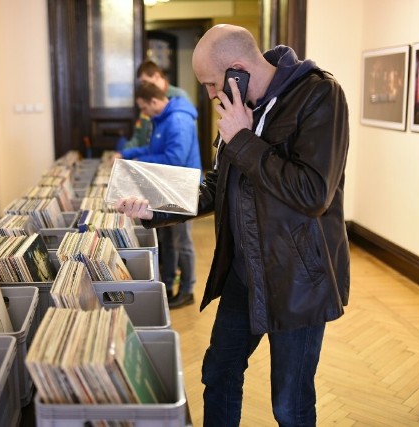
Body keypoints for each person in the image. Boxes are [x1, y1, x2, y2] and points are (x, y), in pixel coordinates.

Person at [116, 24, 350, 426]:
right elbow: (218, 183)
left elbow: (313, 193)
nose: (209, 94)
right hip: (246, 273)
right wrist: (156, 206)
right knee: (218, 374)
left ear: (237, 69)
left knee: (290, 405)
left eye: (210, 83)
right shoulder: (240, 106)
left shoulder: (320, 96)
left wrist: (242, 137)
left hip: (298, 281)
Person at [117, 82, 201, 309]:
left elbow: (175, 158)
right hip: (166, 187)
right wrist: (127, 154)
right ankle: (169, 285)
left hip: (181, 189)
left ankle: (187, 290)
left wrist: (138, 163)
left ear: (154, 102)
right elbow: (154, 151)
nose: (144, 113)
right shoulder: (161, 119)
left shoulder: (178, 120)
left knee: (181, 241)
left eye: (144, 107)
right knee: (168, 240)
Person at [118, 60, 192, 150]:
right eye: (142, 83)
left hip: (169, 158)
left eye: (145, 82)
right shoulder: (146, 99)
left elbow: (186, 135)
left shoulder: (178, 96)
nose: (144, 86)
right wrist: (123, 153)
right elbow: (139, 134)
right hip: (149, 155)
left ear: (157, 76)